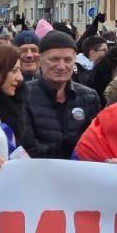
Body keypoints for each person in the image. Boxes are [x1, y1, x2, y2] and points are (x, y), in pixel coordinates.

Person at [25, 30, 102, 160]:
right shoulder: (23, 96)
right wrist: (68, 147)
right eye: (54, 59)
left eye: (67, 60)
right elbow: (27, 149)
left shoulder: (89, 97)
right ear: (40, 60)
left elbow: (97, 145)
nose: (61, 66)